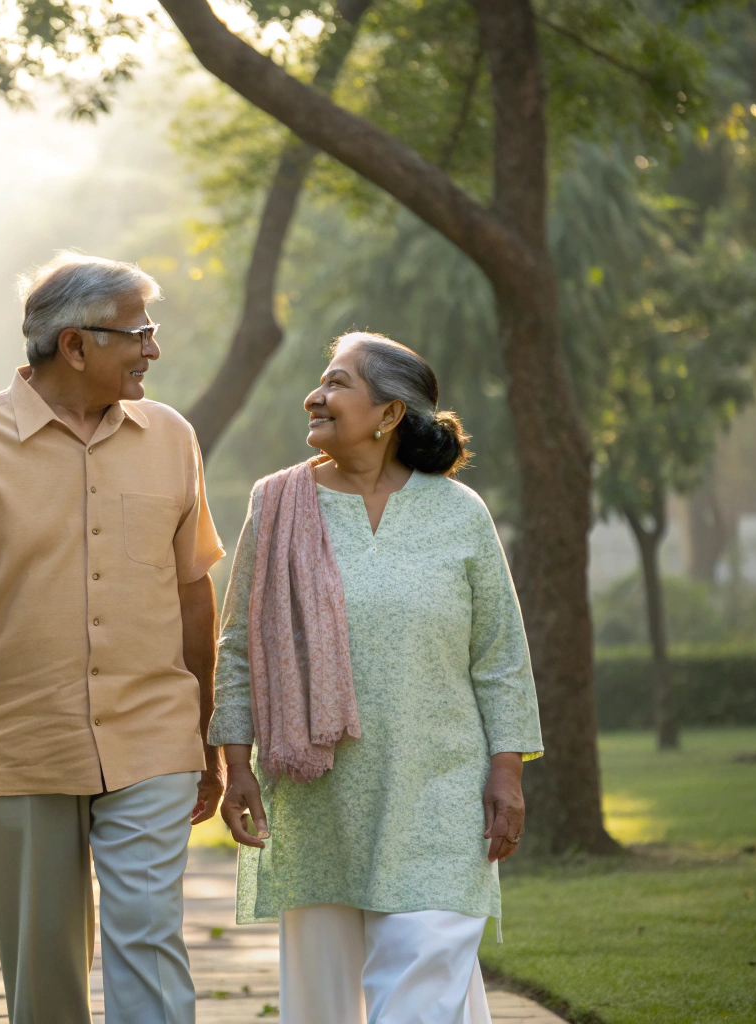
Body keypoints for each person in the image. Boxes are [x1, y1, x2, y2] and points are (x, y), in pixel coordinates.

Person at [0, 251, 227, 1023]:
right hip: (18, 741)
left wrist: (207, 734)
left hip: (152, 733)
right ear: (74, 346)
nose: (153, 349)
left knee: (148, 936)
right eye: (137, 333)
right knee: (44, 968)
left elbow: (192, 594)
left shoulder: (172, 436)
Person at [210, 331, 543, 1024]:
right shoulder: (277, 507)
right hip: (318, 795)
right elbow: (238, 645)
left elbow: (501, 653)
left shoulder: (459, 513)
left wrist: (507, 771)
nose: (315, 395)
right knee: (324, 1004)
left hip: (439, 788)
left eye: (335, 382)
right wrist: (233, 763)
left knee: (422, 977)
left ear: (388, 415)